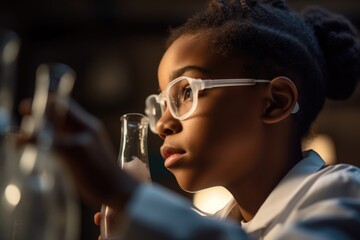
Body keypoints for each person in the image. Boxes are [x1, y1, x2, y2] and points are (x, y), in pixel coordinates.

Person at [22, 0, 360, 239]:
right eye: (161, 103)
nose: (162, 124)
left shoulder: (345, 193)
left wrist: (125, 193)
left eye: (185, 92)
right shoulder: (214, 225)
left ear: (275, 103)